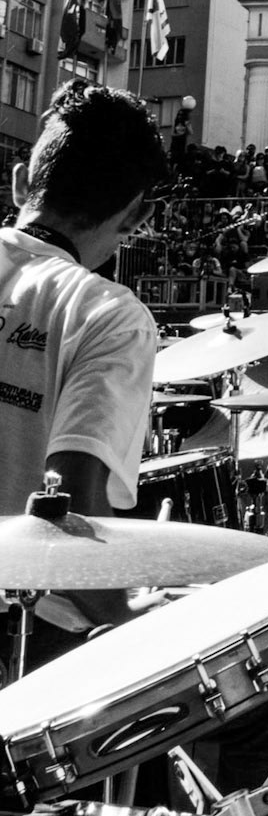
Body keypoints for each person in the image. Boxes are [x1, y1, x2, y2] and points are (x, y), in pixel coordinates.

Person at [0, 82, 168, 627]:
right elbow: (67, 495)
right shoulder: (109, 314)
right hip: (19, 621)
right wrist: (123, 616)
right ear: (138, 215)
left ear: (20, 183)